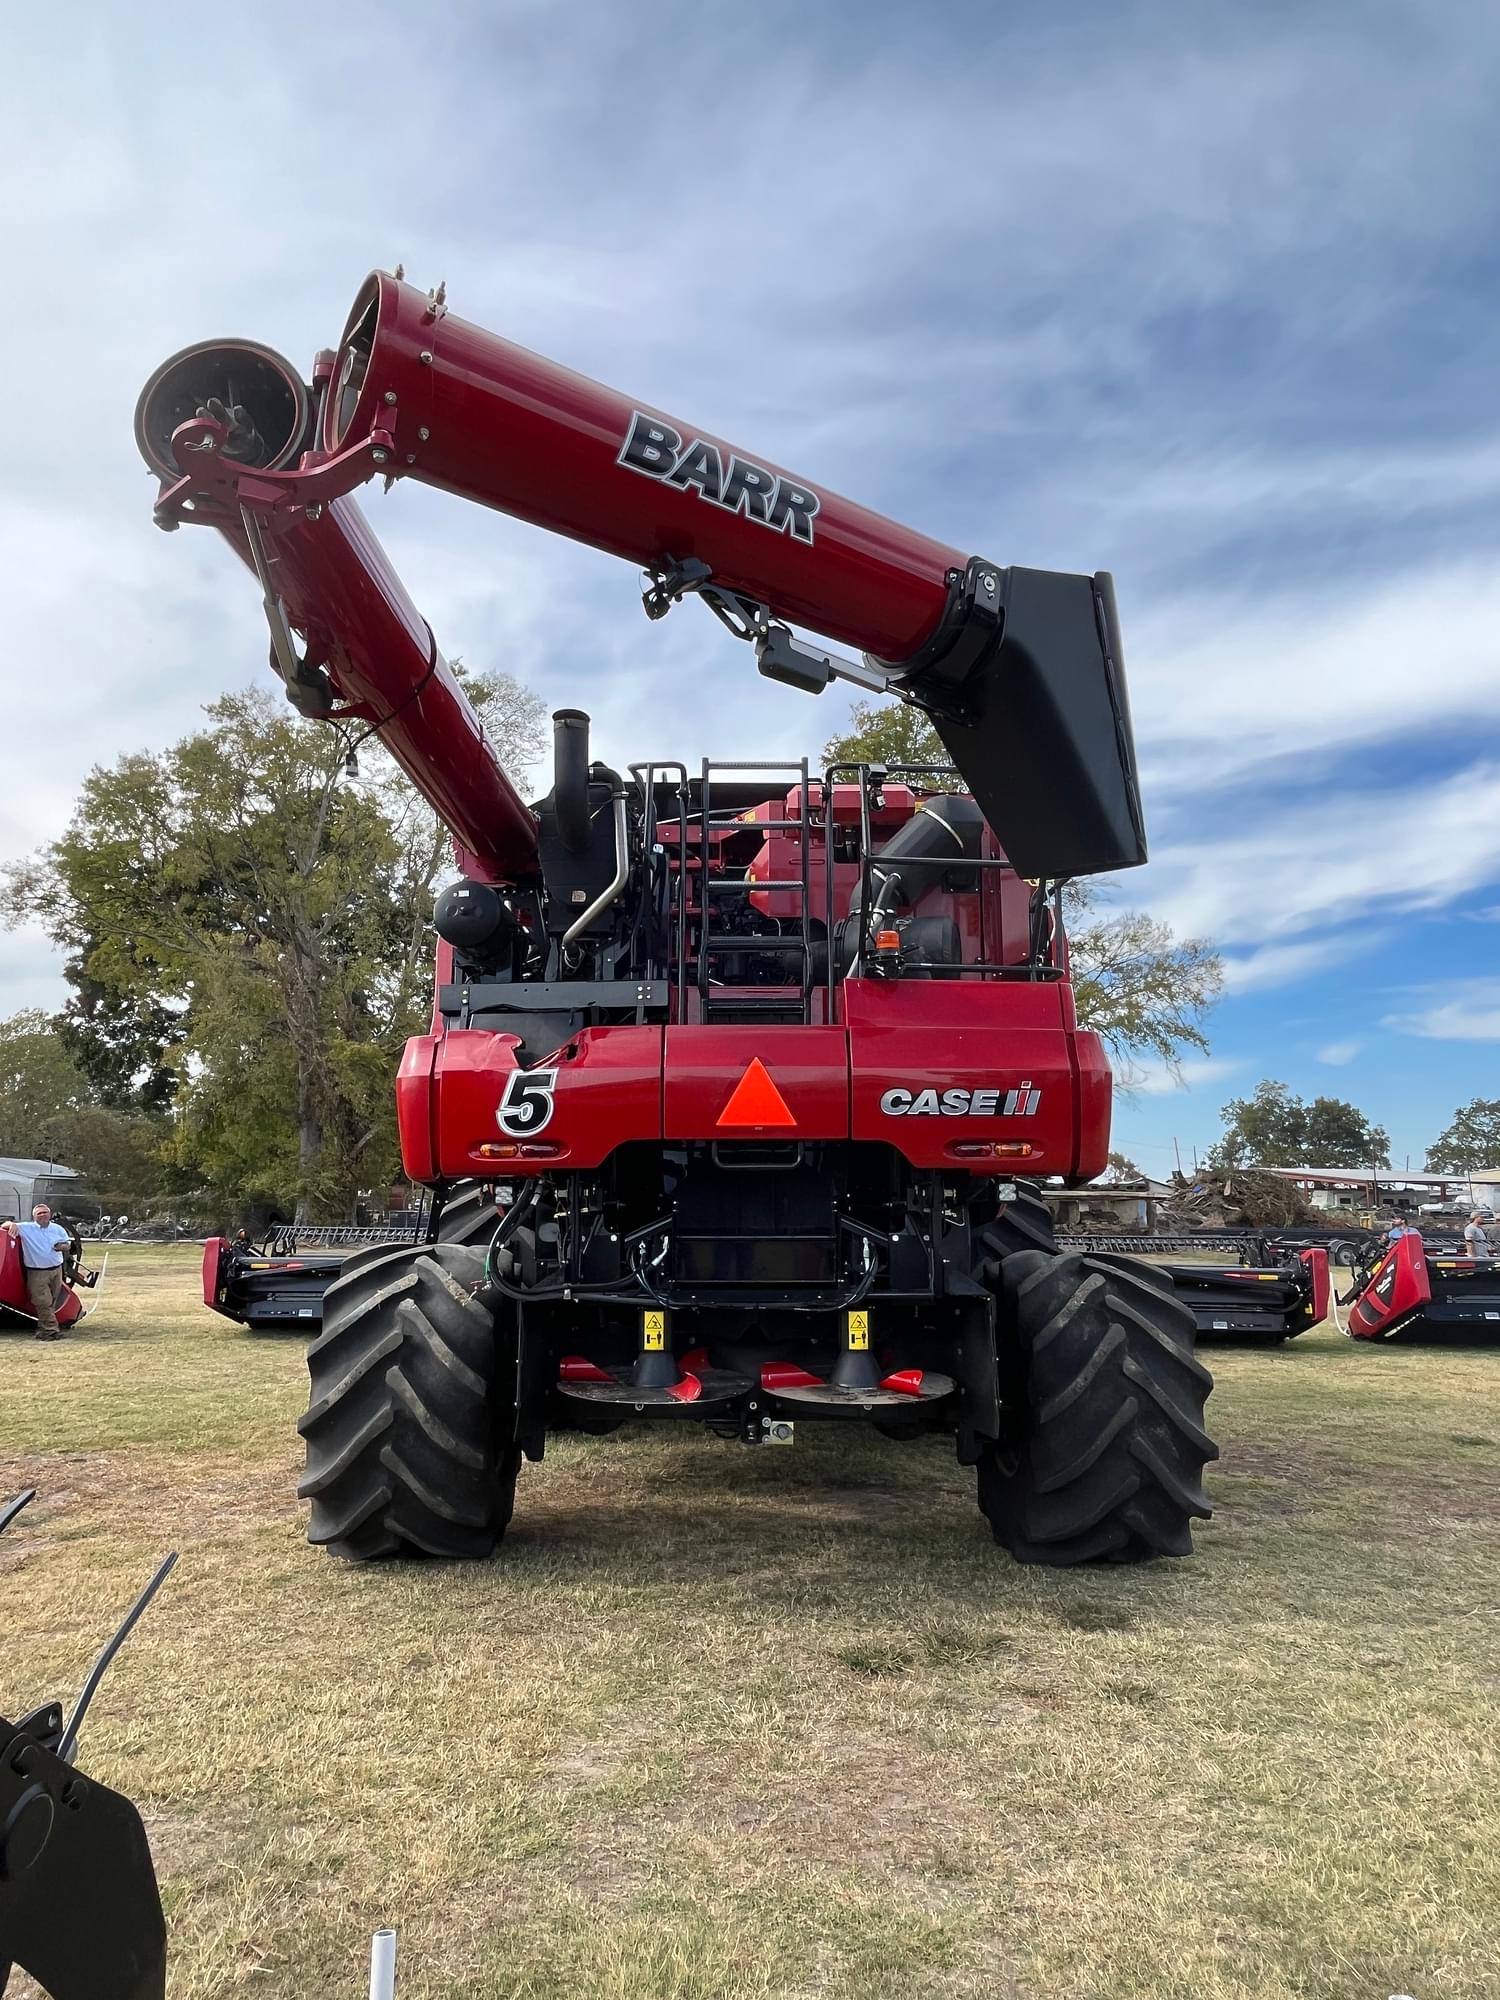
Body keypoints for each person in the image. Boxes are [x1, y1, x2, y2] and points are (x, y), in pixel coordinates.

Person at [3, 1202, 74, 1339]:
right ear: (34, 1216)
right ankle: (50, 1330)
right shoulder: (26, 1228)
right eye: (39, 1213)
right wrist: (11, 1224)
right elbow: (4, 1226)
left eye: (45, 1212)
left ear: (50, 1214)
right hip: (37, 1272)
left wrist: (63, 1247)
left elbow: (67, 1244)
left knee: (51, 1301)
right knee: (42, 1301)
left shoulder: (58, 1229)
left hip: (56, 1270)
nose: (43, 1215)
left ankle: (43, 1330)